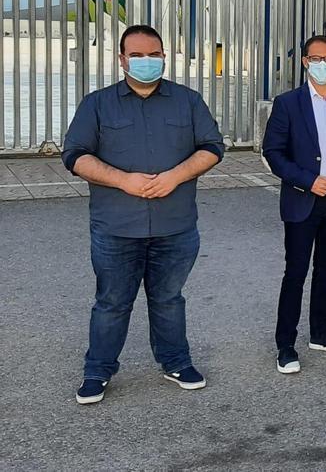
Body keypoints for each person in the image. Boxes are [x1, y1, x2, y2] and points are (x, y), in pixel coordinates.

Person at [61, 24, 224, 405]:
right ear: (121, 60)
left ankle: (175, 362)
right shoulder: (97, 104)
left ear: (165, 57)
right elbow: (75, 156)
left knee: (169, 298)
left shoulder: (188, 101)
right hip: (116, 225)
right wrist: (122, 180)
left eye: (154, 54)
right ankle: (98, 370)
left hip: (176, 225)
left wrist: (175, 176)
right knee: (112, 302)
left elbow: (213, 147)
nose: (146, 61)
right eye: (137, 55)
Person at [262, 35, 326, 374]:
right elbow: (273, 153)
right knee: (296, 272)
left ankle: (320, 333)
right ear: (305, 61)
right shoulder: (288, 103)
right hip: (303, 200)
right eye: (316, 58)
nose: (323, 64)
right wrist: (308, 180)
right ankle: (286, 345)